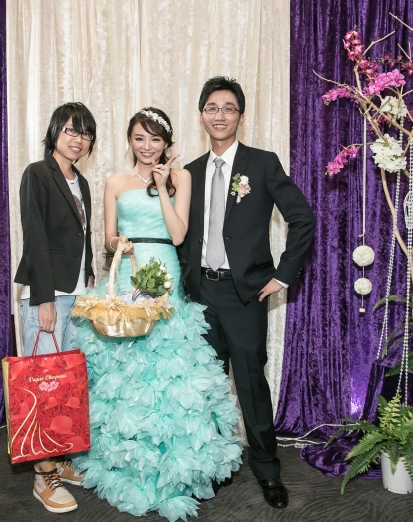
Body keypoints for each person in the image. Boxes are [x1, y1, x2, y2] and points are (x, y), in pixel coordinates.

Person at [71, 108, 242, 521]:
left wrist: (163, 187)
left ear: (166, 143)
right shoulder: (114, 182)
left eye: (155, 140)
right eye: (139, 139)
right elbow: (109, 237)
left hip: (164, 271)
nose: (147, 148)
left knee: (169, 365)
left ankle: (174, 463)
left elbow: (180, 234)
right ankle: (127, 459)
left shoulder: (181, 178)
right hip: (129, 272)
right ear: (129, 141)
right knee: (125, 367)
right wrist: (119, 243)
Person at [180, 77, 316, 509]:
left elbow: (302, 218)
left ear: (240, 115)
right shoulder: (189, 172)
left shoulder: (262, 164)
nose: (220, 115)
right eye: (212, 107)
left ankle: (267, 469)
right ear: (201, 115)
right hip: (198, 293)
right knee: (208, 386)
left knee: (251, 383)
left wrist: (283, 275)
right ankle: (217, 463)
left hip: (244, 296)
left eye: (229, 108)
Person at [13, 102, 97, 514]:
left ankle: (60, 459)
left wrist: (93, 279)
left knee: (66, 388)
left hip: (77, 296)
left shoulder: (80, 180)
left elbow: (82, 239)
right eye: (69, 130)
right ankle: (42, 474)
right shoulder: (37, 173)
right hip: (48, 295)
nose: (77, 138)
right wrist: (44, 298)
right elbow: (35, 237)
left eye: (84, 132)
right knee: (44, 387)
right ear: (54, 133)